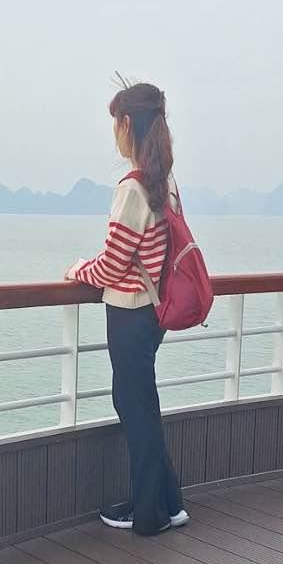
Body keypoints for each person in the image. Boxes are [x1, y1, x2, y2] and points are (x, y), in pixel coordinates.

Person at [65, 81, 189, 536]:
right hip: (153, 314)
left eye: (116, 123)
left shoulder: (132, 189)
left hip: (129, 314)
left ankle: (148, 515)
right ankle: (169, 503)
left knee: (134, 409)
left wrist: (77, 269)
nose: (114, 133)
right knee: (143, 406)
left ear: (126, 125)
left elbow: (112, 264)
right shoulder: (166, 183)